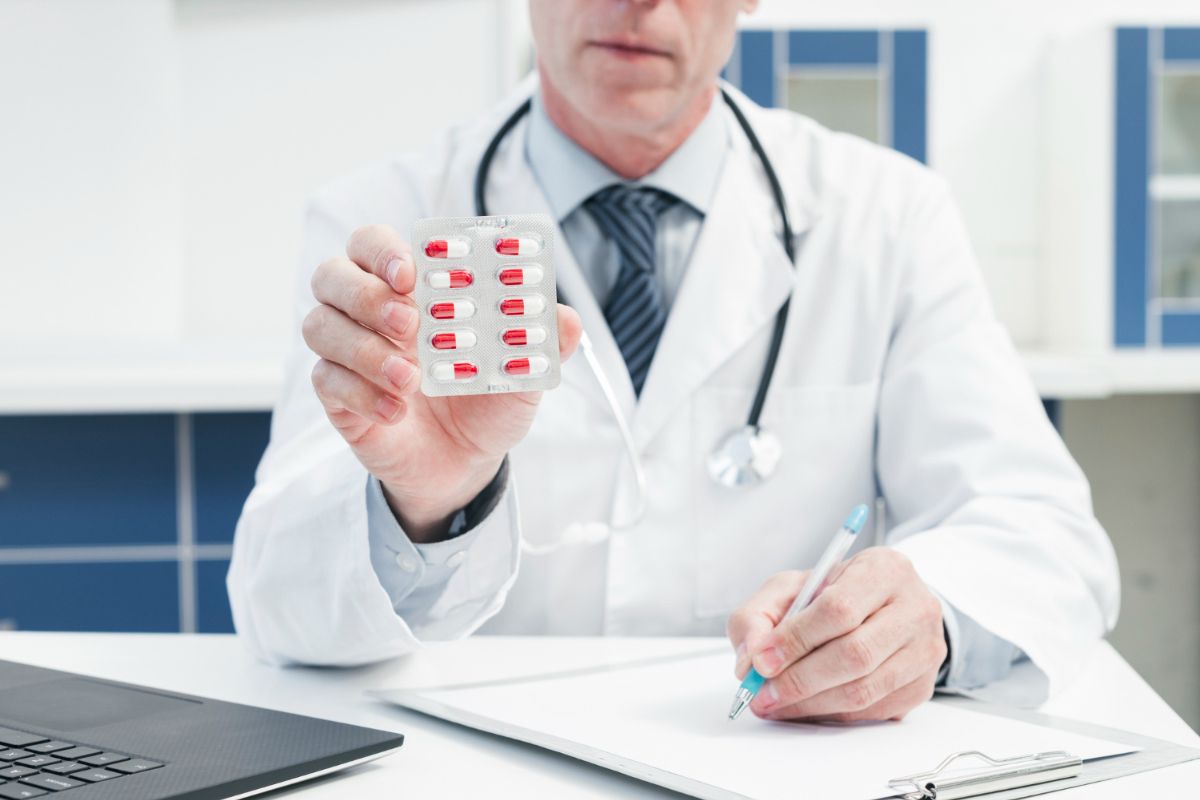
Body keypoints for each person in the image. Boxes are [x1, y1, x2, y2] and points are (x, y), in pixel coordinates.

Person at [228, 0, 1119, 721]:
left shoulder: (888, 215)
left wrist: (921, 612)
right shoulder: (387, 217)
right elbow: (277, 599)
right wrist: (423, 501)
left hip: (773, 761)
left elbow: (1040, 536)